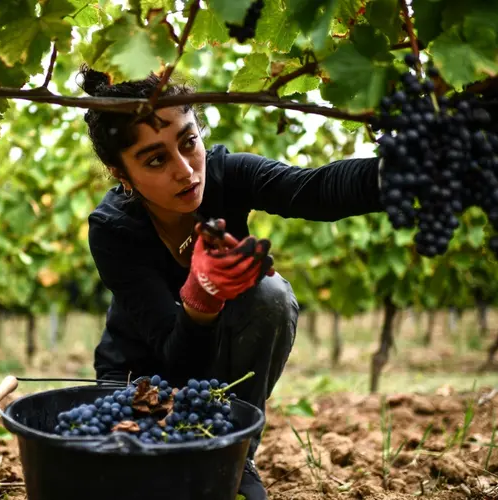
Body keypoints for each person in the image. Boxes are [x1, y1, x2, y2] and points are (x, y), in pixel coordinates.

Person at [79, 64, 383, 499]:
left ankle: (236, 452)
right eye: (156, 159)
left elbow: (313, 190)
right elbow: (174, 357)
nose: (186, 171)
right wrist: (200, 301)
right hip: (136, 378)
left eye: (189, 143)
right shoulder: (113, 229)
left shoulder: (227, 175)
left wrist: (390, 176)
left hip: (216, 370)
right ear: (122, 175)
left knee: (271, 295)